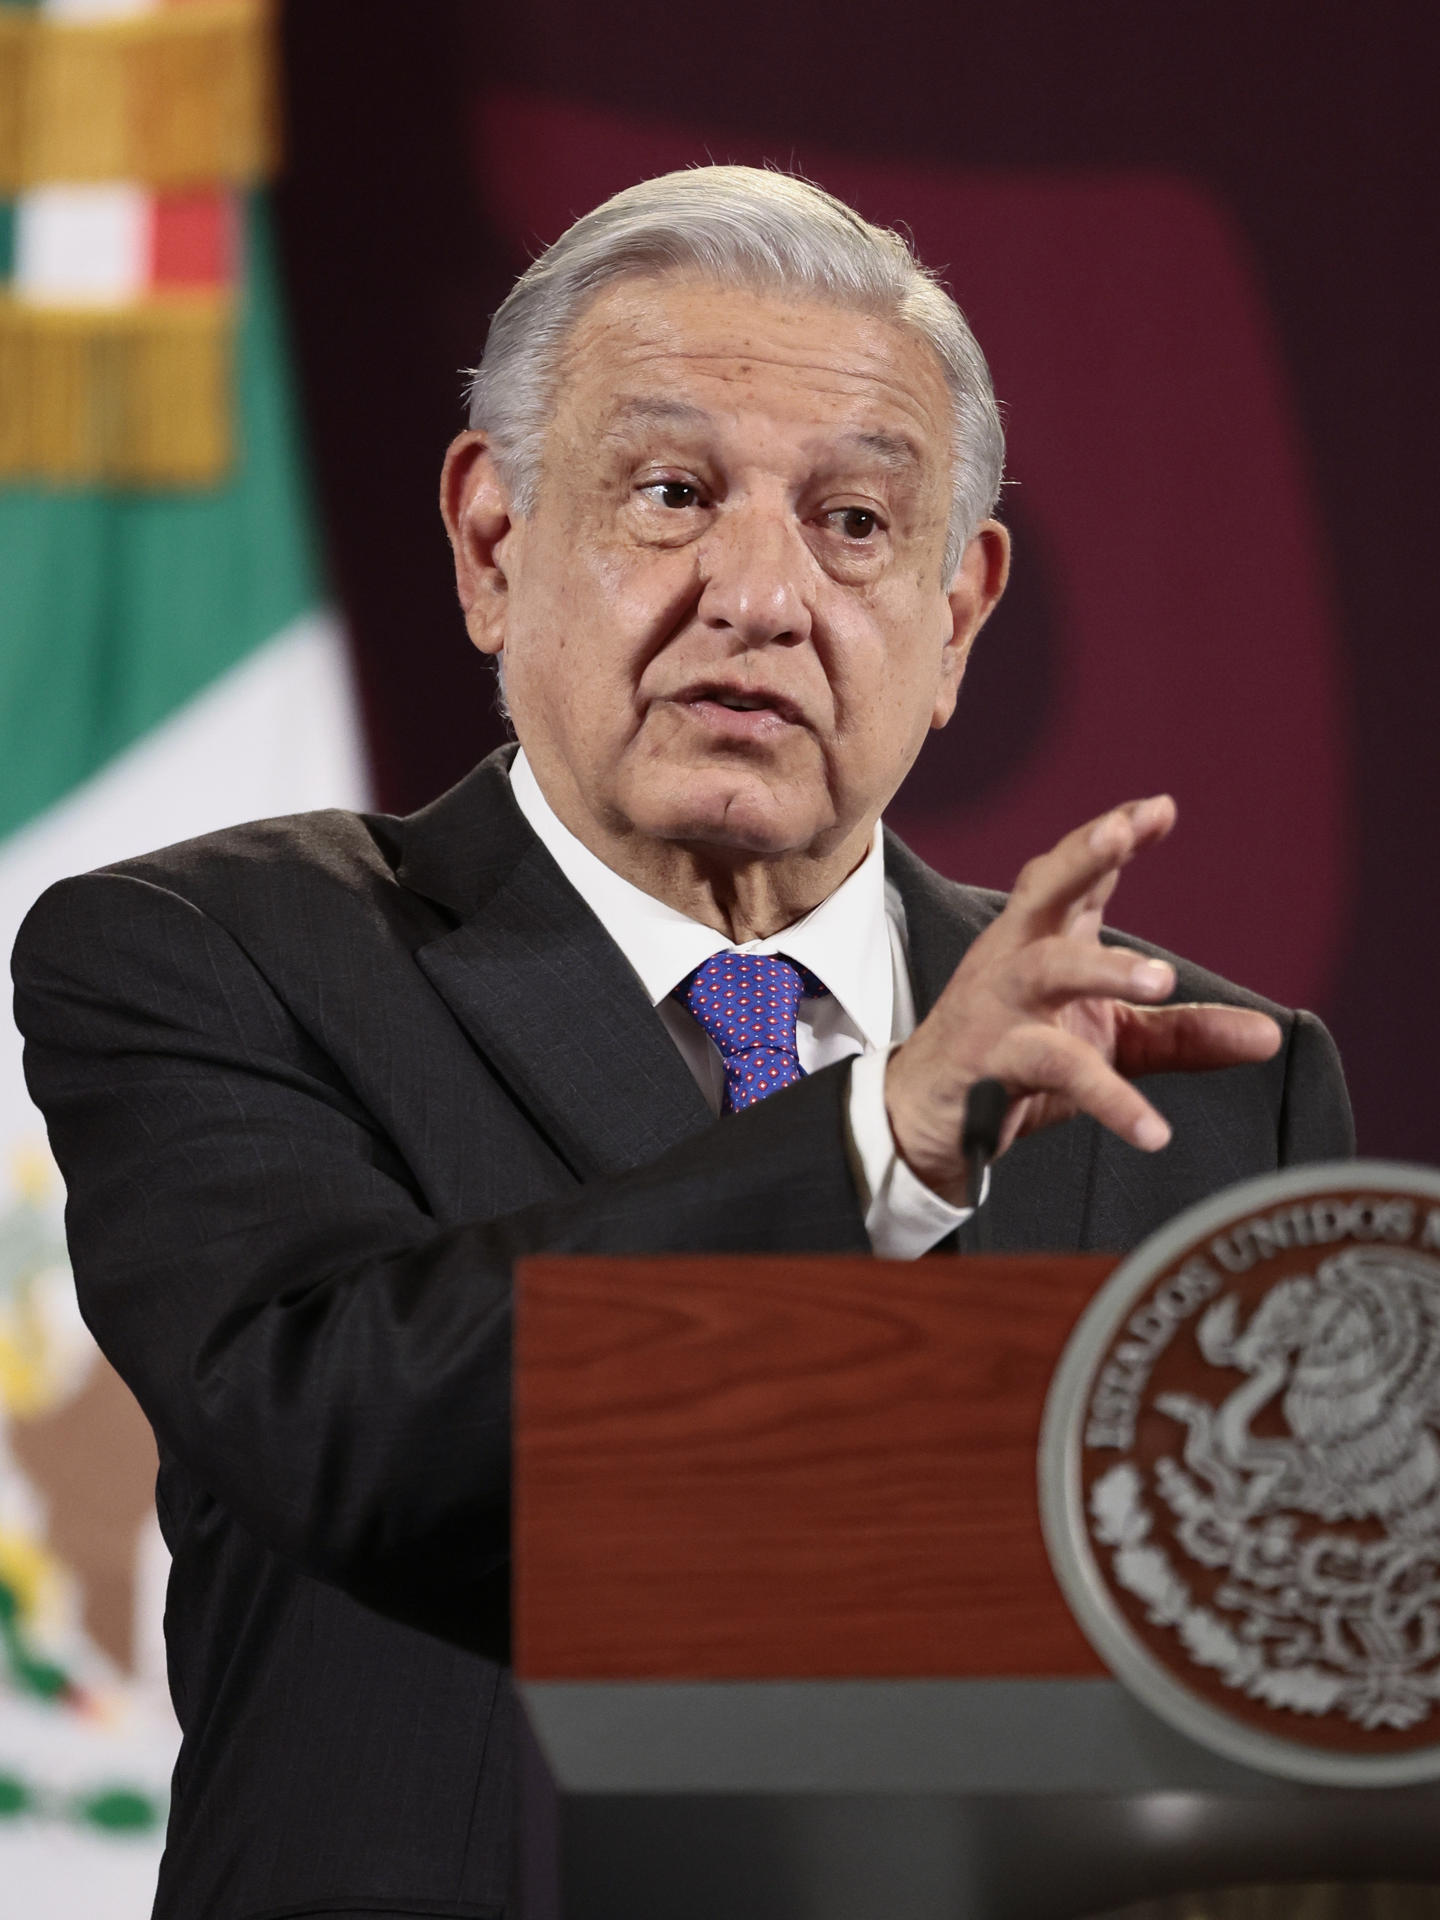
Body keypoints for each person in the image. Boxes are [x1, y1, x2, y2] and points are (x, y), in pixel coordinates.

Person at [11, 168, 1351, 1920]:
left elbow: (1292, 1711)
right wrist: (882, 1146)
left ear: (958, 619)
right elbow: (344, 1416)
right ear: (495, 544)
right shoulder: (220, 960)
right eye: (671, 492)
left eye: (858, 524)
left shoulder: (1203, 1082)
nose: (761, 596)